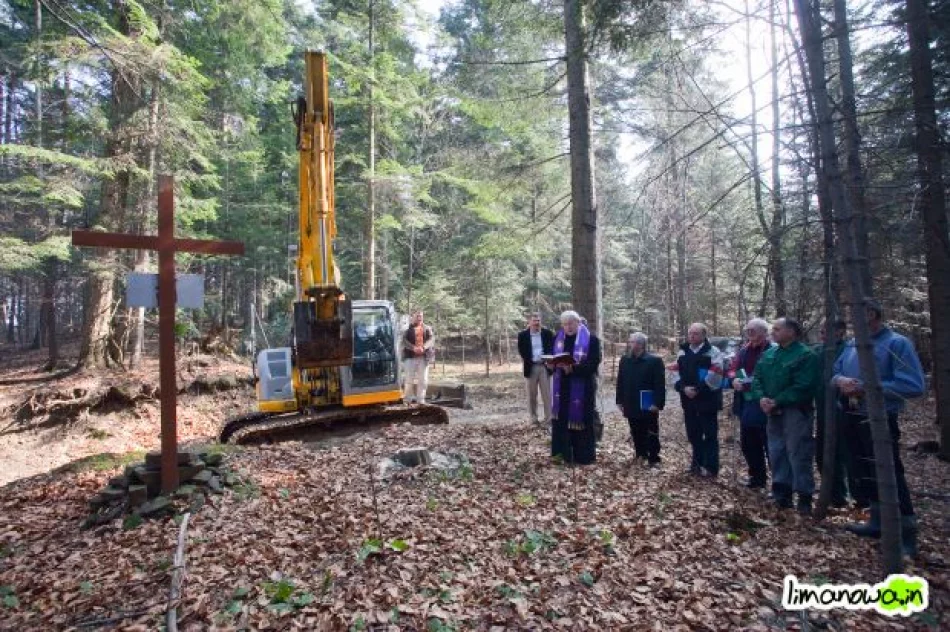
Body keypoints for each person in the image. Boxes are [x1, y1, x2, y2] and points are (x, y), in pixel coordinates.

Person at [832, 300, 925, 556]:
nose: (851, 319)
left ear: (871, 314)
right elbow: (835, 370)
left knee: (889, 471)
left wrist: (867, 386)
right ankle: (876, 521)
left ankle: (905, 532)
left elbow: (913, 386)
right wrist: (841, 381)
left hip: (880, 419)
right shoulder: (852, 343)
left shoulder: (897, 344)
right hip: (851, 414)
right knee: (862, 469)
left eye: (855, 314)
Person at [751, 317, 820, 515]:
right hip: (772, 412)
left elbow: (804, 385)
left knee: (798, 452)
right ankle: (782, 493)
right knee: (776, 451)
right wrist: (762, 398)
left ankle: (804, 497)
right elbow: (757, 378)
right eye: (773, 329)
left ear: (791, 332)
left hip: (796, 411)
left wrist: (778, 400)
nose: (773, 332)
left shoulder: (806, 355)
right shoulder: (769, 354)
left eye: (778, 329)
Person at [548, 310, 602, 464]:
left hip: (583, 388)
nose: (568, 327)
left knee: (582, 423)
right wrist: (550, 366)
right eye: (564, 324)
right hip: (562, 388)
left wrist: (573, 369)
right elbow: (551, 357)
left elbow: (592, 364)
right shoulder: (557, 339)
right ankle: (562, 455)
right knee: (561, 421)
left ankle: (583, 457)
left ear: (578, 323)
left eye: (571, 323)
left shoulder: (592, 340)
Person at [674, 323, 724, 478]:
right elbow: (675, 373)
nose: (692, 336)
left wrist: (698, 389)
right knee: (693, 433)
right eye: (690, 333)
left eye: (695, 333)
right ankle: (696, 464)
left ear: (703, 335)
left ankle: (711, 467)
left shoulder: (713, 351)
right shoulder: (683, 351)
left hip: (707, 400)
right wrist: (683, 388)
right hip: (688, 401)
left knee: (709, 434)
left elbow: (716, 373)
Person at [728, 318, 773, 489]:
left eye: (753, 330)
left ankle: (779, 484)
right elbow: (732, 369)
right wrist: (733, 380)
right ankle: (757, 478)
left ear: (763, 332)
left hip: (765, 403)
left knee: (769, 444)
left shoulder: (772, 350)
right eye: (748, 330)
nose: (749, 333)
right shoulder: (743, 350)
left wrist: (751, 383)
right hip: (745, 402)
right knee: (749, 443)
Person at [814, 319, 852, 507]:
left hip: (844, 408)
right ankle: (831, 492)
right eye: (820, 330)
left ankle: (842, 495)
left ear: (839, 332)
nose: (822, 334)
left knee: (841, 452)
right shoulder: (818, 351)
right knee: (821, 453)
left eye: (826, 330)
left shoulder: (847, 350)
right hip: (821, 409)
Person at [616, 332, 666, 466]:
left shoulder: (654, 361)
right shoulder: (625, 360)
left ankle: (653, 457)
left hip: (647, 401)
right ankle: (640, 454)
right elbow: (620, 381)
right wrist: (619, 400)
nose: (632, 345)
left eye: (634, 342)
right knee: (635, 429)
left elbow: (659, 384)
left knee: (650, 430)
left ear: (641, 344)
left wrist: (658, 403)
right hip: (630, 400)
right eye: (630, 342)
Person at [517, 312, 555, 425]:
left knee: (547, 395)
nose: (536, 323)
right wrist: (529, 359)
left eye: (538, 321)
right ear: (529, 322)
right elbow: (521, 350)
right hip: (531, 367)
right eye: (534, 321)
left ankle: (548, 419)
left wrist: (549, 360)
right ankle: (533, 419)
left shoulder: (548, 334)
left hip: (544, 367)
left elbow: (552, 348)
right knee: (531, 395)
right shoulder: (522, 335)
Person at [402, 310, 434, 403]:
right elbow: (404, 340)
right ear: (413, 317)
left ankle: (421, 400)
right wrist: (413, 348)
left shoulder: (427, 328)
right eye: (417, 316)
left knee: (423, 380)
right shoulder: (407, 328)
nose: (419, 317)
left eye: (421, 316)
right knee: (409, 380)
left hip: (423, 358)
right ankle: (408, 399)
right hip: (410, 357)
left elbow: (431, 339)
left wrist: (424, 347)